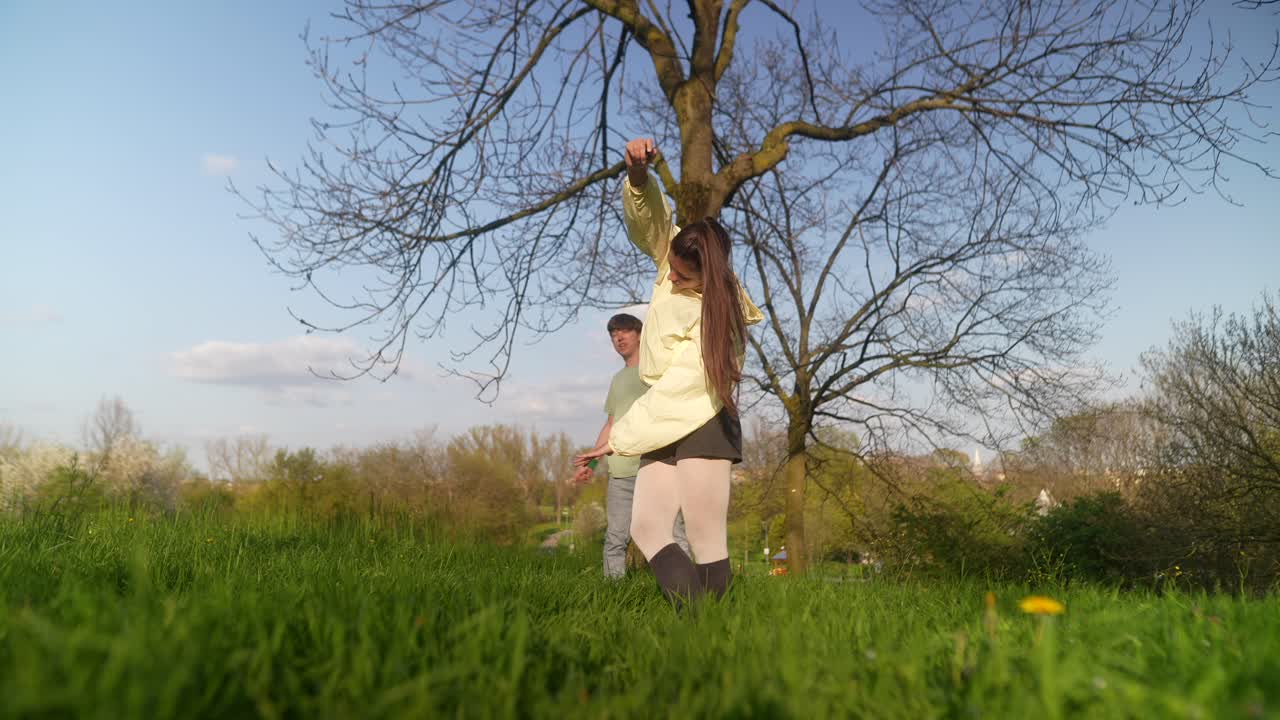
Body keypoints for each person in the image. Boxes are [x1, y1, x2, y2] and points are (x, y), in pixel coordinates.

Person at [575, 137, 762, 604]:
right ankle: (698, 617)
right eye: (671, 269)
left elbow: (684, 389)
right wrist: (640, 177)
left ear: (710, 276)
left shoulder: (721, 317)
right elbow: (652, 224)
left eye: (683, 277)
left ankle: (705, 630)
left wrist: (621, 436)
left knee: (704, 536)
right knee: (646, 526)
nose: (671, 278)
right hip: (663, 419)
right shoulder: (673, 259)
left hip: (702, 419)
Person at [574, 312, 691, 579]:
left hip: (657, 466)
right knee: (615, 538)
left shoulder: (657, 371)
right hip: (621, 472)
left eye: (625, 331)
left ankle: (688, 594)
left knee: (673, 533)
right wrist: (592, 462)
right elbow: (611, 424)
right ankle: (612, 597)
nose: (619, 338)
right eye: (614, 334)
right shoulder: (618, 380)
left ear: (639, 335)